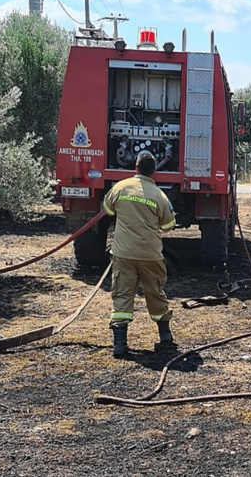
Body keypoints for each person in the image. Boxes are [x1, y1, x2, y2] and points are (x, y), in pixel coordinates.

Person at [102, 151, 177, 358]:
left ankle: (120, 345)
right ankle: (166, 338)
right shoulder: (159, 195)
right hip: (150, 255)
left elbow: (108, 209)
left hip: (123, 254)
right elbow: (169, 225)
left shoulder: (120, 187)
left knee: (122, 295)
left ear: (135, 168)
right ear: (154, 172)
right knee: (155, 292)